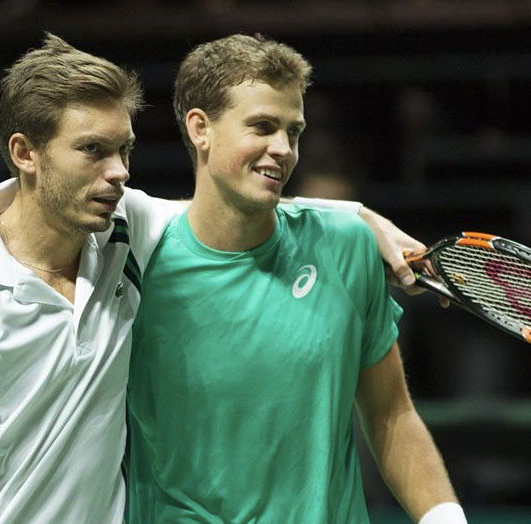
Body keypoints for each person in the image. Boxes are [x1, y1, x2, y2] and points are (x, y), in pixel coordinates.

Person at [0, 34, 427, 524]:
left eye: (123, 149)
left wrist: (360, 217)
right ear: (25, 152)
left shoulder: (125, 229)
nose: (119, 172)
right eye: (92, 150)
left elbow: (234, 205)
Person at [125, 34, 465, 524]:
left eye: (294, 131)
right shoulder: (135, 259)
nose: (283, 149)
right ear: (200, 128)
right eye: (262, 127)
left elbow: (391, 415)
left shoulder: (346, 245)